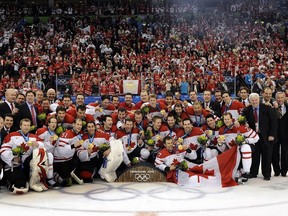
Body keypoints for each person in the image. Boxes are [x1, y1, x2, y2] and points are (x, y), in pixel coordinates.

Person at [0, 118, 47, 193]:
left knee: (41, 151)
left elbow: (43, 145)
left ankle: (35, 180)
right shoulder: (11, 135)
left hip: (28, 165)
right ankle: (8, 181)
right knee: (20, 186)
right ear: (20, 126)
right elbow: (3, 150)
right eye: (24, 125)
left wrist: (38, 144)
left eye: (28, 125)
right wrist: (13, 158)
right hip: (14, 166)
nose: (26, 127)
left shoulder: (33, 136)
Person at [242, 93, 278, 180]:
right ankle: (253, 173)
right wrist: (244, 122)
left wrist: (272, 134)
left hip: (266, 136)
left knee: (267, 155)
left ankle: (266, 174)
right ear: (250, 101)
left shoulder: (267, 108)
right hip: (254, 137)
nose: (254, 102)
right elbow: (242, 119)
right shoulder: (247, 110)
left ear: (259, 100)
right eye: (252, 100)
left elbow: (274, 121)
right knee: (255, 155)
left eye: (256, 100)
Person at [218, 112, 259, 182]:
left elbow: (256, 137)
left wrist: (244, 140)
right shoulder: (222, 131)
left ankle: (246, 172)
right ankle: (239, 171)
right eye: (225, 119)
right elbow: (222, 149)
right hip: (232, 152)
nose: (226, 121)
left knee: (245, 147)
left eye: (228, 119)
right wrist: (220, 144)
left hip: (242, 149)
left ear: (232, 119)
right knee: (234, 175)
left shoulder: (240, 127)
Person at [53, 118, 84, 187]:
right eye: (77, 124)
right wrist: (73, 145)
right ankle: (55, 174)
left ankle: (69, 173)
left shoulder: (77, 134)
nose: (79, 126)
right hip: (60, 161)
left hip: (68, 160)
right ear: (73, 125)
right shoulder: (67, 134)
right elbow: (60, 149)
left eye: (81, 125)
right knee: (66, 182)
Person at [36, 116, 60, 189]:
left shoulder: (57, 133)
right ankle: (50, 179)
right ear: (48, 124)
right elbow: (38, 144)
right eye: (52, 122)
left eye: (55, 122)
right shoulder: (42, 131)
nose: (54, 124)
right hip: (42, 153)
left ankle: (55, 176)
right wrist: (50, 143)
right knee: (50, 156)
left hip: (52, 153)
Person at [272, 92, 288, 177]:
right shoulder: (272, 107)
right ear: (276, 98)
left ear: (284, 98)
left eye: (282, 97)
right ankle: (276, 171)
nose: (280, 99)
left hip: (286, 135)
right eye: (278, 98)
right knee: (275, 153)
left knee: (285, 153)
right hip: (275, 134)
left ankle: (284, 171)